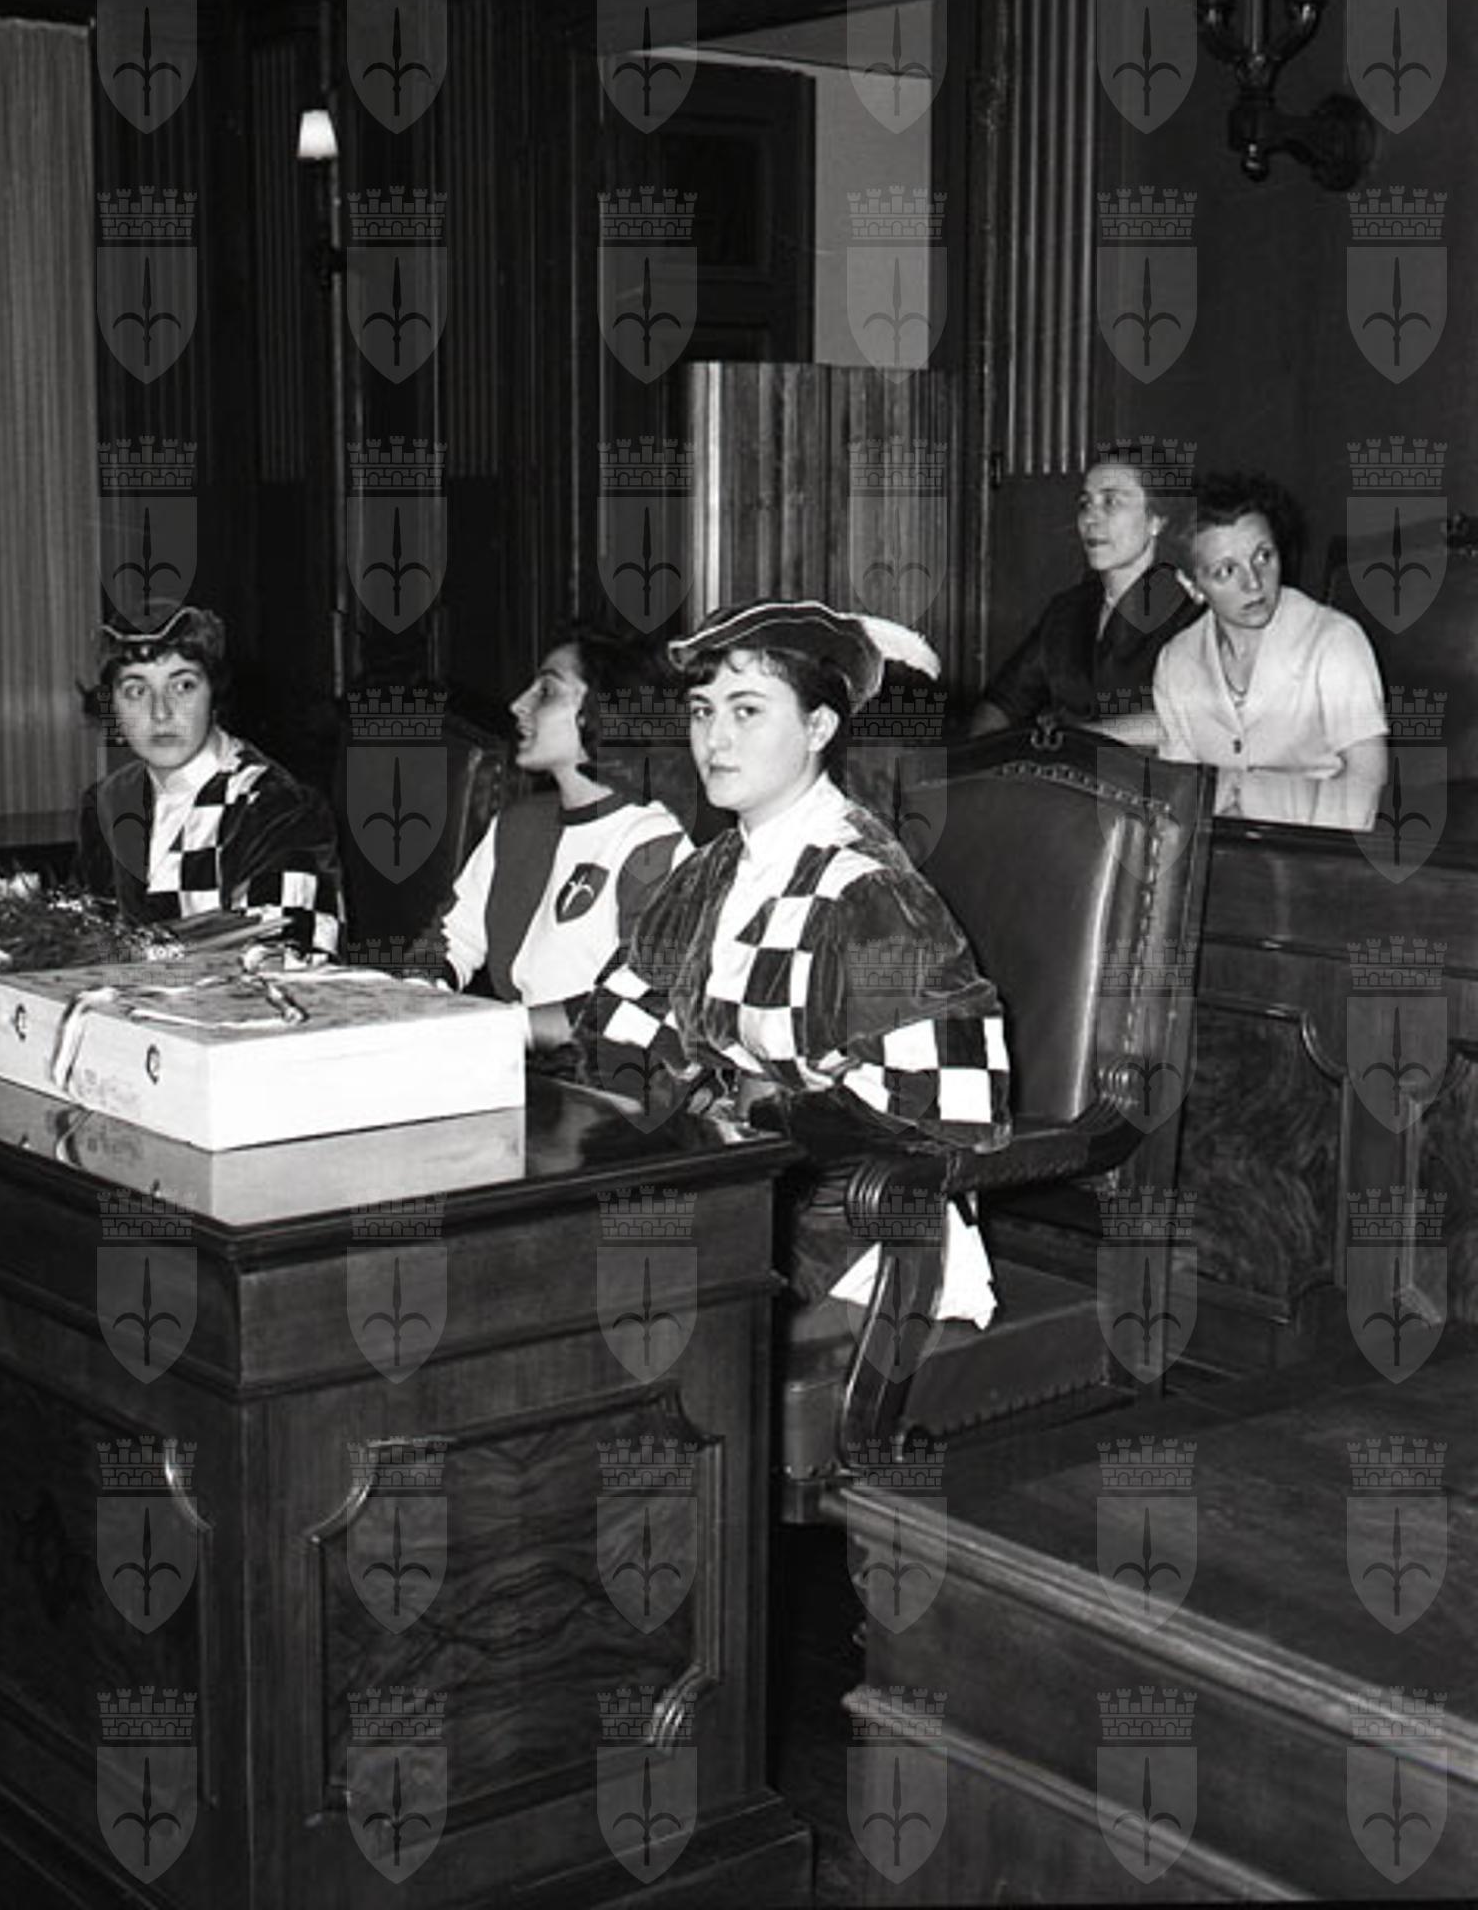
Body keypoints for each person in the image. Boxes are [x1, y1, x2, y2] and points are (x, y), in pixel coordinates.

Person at [575, 598, 1011, 1318]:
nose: (715, 739)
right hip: (740, 1182)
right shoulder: (711, 872)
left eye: (747, 711)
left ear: (818, 727)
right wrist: (686, 1112)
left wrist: (761, 1116)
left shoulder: (866, 890)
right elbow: (620, 1025)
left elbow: (955, 1107)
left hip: (860, 1234)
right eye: (702, 711)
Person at [429, 626, 687, 1052]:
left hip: (603, 1076)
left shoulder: (655, 840)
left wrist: (499, 1030)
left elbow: (643, 1000)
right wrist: (412, 996)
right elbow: (449, 940)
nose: (518, 704)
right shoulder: (517, 825)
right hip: (520, 1060)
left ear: (603, 710)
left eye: (546, 691)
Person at [75, 605, 346, 956]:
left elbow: (287, 956)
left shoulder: (277, 808)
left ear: (213, 693)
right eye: (136, 690)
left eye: (183, 686)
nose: (161, 712)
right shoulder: (105, 803)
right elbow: (83, 947)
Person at [1153, 473, 1388, 831]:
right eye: (1226, 571)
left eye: (1263, 556)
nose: (1253, 582)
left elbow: (1367, 791)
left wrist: (1246, 800)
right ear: (1192, 585)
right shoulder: (1176, 662)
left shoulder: (1334, 642)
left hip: (1326, 852)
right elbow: (1180, 801)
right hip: (1221, 856)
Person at [969, 452, 1200, 735]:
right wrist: (983, 752)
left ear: (1156, 520)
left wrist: (1075, 742)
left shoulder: (1189, 611)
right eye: (1085, 504)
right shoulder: (1068, 610)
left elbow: (1191, 721)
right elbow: (1003, 701)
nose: (1090, 518)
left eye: (1111, 502)